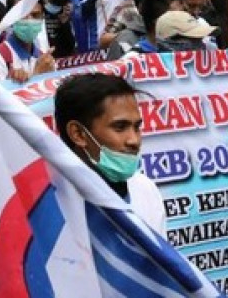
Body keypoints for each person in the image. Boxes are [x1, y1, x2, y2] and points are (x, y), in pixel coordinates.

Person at [54, 73, 166, 235]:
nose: (134, 140)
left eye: (137, 127)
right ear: (78, 134)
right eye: (120, 127)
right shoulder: (51, 204)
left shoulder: (146, 191)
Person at [0, 0, 55, 83]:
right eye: (23, 15)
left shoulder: (45, 60)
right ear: (10, 18)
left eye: (35, 15)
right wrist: (37, 74)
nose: (29, 21)